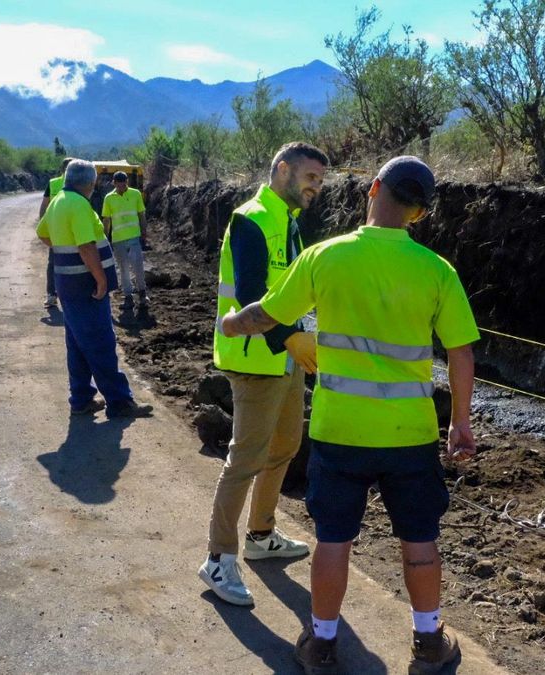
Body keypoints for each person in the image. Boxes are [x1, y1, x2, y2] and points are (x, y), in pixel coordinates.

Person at [219, 156, 479, 674]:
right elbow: (461, 352)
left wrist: (230, 323)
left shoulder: (324, 256)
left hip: (339, 432)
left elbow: (267, 314)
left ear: (374, 188)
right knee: (419, 539)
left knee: (333, 540)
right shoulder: (437, 271)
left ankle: (321, 643)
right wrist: (461, 423)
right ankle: (429, 642)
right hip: (409, 435)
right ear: (421, 213)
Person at [197, 142, 329, 607]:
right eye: (310, 176)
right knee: (246, 458)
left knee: (286, 444)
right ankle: (218, 559)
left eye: (320, 180)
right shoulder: (251, 216)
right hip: (255, 358)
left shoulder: (288, 222)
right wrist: (290, 338)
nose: (316, 186)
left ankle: (260, 534)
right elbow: (252, 293)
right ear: (282, 169)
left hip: (284, 358)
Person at [36, 159, 154, 419]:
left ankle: (81, 399)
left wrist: (62, 251)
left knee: (77, 344)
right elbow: (87, 246)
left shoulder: (58, 201)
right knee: (101, 342)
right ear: (90, 182)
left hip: (68, 285)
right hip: (85, 287)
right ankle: (120, 402)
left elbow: (42, 233)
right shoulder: (78, 204)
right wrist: (100, 279)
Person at [101, 171, 150, 310]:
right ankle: (128, 297)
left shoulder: (135, 194)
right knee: (123, 269)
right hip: (118, 239)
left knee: (138, 267)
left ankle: (142, 294)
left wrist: (144, 233)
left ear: (127, 182)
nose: (122, 186)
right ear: (114, 183)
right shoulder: (109, 198)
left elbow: (141, 214)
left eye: (124, 183)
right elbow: (107, 220)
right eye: (119, 184)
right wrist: (106, 238)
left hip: (134, 237)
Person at [38, 157, 74, 310]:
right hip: (58, 231)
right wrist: (44, 226)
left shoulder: (78, 183)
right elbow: (44, 206)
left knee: (69, 263)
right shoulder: (53, 184)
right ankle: (52, 294)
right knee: (54, 262)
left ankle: (68, 294)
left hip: (72, 229)